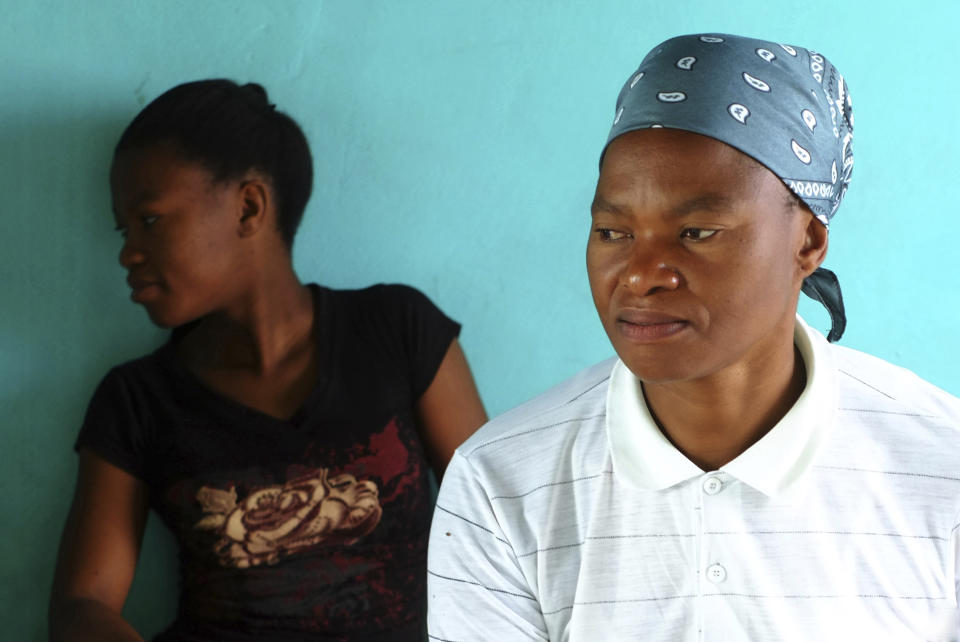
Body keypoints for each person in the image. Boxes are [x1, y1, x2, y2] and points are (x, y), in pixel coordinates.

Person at [427, 33, 960, 640]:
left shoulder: (944, 466)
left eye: (698, 231)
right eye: (613, 232)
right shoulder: (503, 482)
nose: (639, 274)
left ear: (808, 243)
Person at [49, 79, 488, 642]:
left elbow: (496, 530)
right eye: (123, 229)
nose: (127, 253)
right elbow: (83, 604)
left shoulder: (399, 332)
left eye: (150, 220)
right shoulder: (137, 401)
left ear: (249, 206)